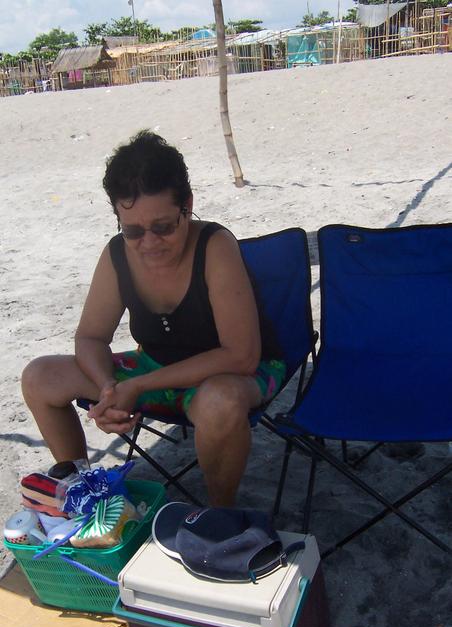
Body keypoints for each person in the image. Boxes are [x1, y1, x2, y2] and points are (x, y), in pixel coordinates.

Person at [21, 131, 286, 507]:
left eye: (163, 227)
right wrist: (109, 386)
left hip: (233, 375)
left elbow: (240, 356)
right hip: (154, 370)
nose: (149, 243)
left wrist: (141, 385)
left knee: (219, 401)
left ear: (187, 206)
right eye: (132, 230)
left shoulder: (214, 246)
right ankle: (81, 492)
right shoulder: (116, 256)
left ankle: (219, 513)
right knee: (40, 377)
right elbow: (91, 338)